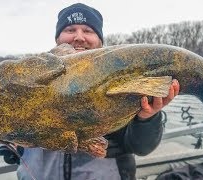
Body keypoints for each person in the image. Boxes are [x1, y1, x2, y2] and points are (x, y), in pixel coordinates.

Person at [16, 3, 180, 180]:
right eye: (70, 29)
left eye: (88, 31)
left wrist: (147, 119)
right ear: (57, 38)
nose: (79, 37)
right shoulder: (30, 80)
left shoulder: (127, 78)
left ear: (100, 41)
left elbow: (142, 148)